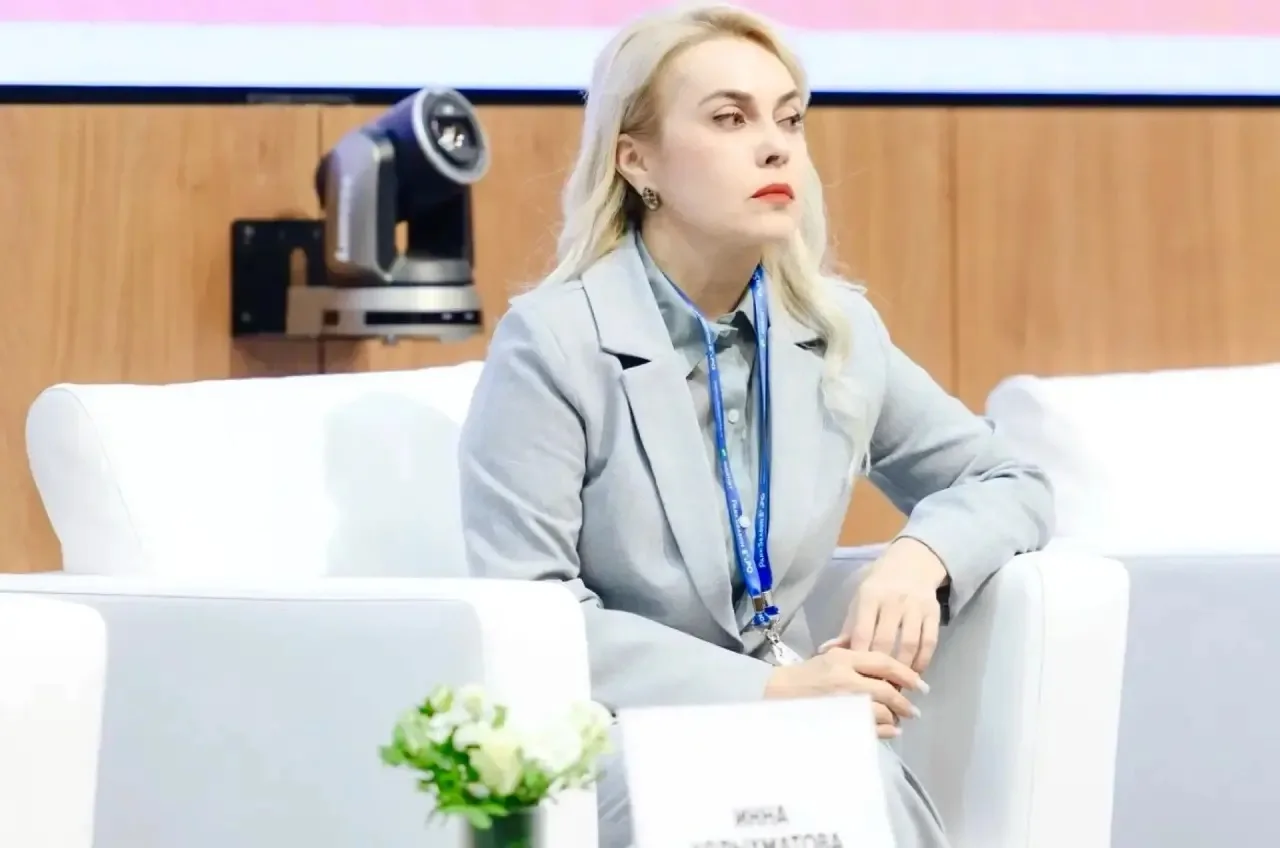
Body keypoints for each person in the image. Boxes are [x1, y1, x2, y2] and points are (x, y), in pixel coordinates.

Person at [457, 3, 1053, 846]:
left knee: (846, 772)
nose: (776, 148)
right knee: (810, 774)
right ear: (636, 160)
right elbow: (532, 615)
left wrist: (922, 557)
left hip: (806, 731)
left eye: (789, 119)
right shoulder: (555, 342)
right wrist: (770, 692)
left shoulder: (836, 330)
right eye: (730, 119)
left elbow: (1010, 480)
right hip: (620, 733)